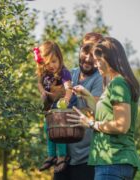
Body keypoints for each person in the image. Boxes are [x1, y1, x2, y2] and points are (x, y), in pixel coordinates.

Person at [67, 37, 140, 179]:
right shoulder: (115, 83)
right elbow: (106, 115)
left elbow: (121, 126)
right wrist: (87, 96)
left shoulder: (118, 84)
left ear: (109, 59)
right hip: (112, 162)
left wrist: (90, 123)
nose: (95, 65)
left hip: (113, 160)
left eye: (98, 61)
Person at [54, 32, 104, 180]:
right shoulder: (70, 74)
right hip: (64, 155)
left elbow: (93, 111)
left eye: (94, 54)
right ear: (80, 49)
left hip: (86, 157)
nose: (88, 59)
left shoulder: (100, 79)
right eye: (85, 51)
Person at [34, 41, 73, 173]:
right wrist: (43, 92)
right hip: (50, 106)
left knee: (59, 130)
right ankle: (51, 155)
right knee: (48, 129)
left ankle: (62, 155)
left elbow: (69, 88)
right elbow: (39, 84)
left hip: (60, 106)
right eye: (48, 62)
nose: (51, 65)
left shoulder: (64, 72)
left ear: (60, 59)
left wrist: (66, 99)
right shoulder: (45, 73)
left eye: (54, 61)